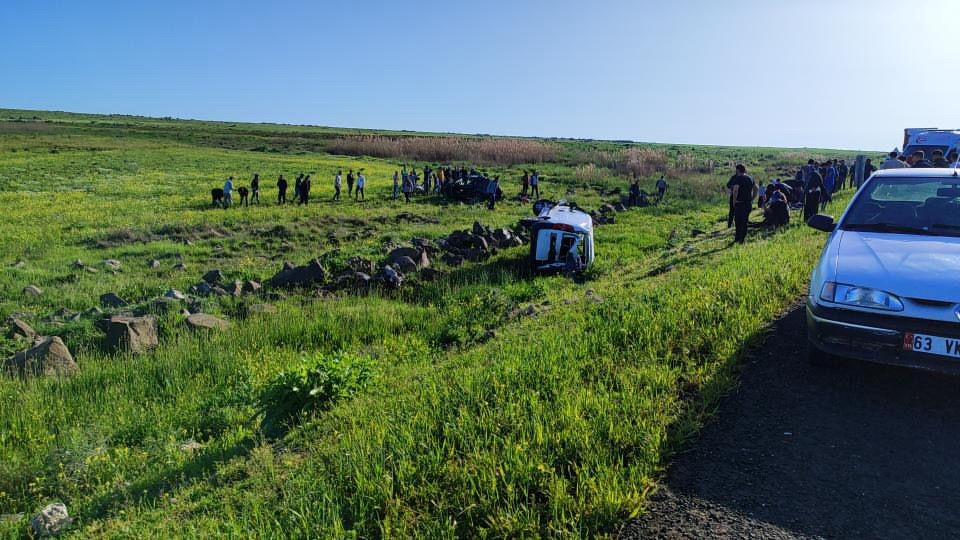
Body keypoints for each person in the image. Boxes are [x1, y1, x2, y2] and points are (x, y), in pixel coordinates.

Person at [726, 164, 756, 243]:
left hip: (740, 204)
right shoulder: (751, 178)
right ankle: (742, 239)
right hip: (748, 204)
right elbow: (756, 188)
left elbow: (735, 190)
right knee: (745, 222)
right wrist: (752, 198)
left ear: (738, 170)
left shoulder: (738, 178)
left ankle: (737, 238)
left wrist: (734, 201)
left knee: (738, 222)